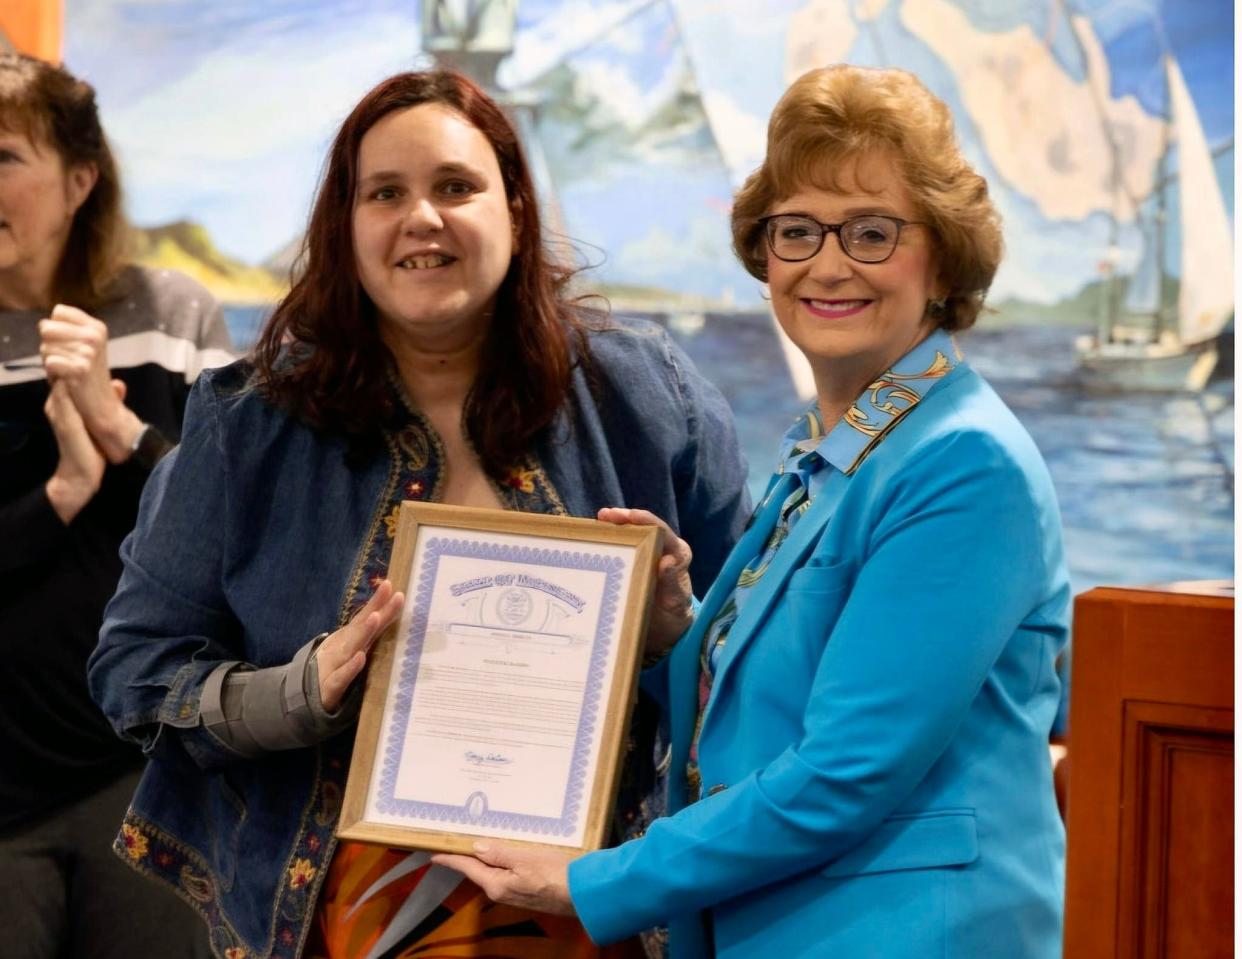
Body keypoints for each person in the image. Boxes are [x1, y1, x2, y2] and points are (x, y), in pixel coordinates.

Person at [87, 69, 750, 959]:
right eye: (385, 193)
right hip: (336, 916)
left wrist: (678, 629)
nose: (422, 218)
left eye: (455, 186)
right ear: (346, 227)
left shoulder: (648, 394)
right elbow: (134, 670)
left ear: (514, 207)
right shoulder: (247, 425)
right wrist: (299, 692)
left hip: (605, 912)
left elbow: (759, 668)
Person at [434, 64, 1071, 959]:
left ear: (943, 259)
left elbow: (847, 772)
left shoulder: (963, 462)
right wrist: (669, 629)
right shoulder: (831, 448)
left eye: (873, 232)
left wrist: (592, 881)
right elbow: (763, 703)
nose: (829, 263)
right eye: (798, 230)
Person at [0, 53, 233, 958]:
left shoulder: (170, 315)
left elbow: (231, 531)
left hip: (145, 773)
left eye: (6, 156)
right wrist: (60, 491)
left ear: (80, 179)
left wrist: (113, 425)